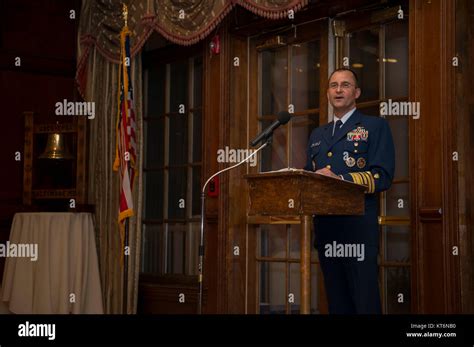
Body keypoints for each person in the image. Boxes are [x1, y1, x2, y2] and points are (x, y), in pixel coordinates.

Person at [304, 68, 395, 314]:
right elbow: (309, 178)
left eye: (345, 85)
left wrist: (340, 179)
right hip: (326, 230)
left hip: (358, 230)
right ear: (327, 93)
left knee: (363, 302)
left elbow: (382, 176)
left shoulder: (374, 126)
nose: (338, 90)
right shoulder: (317, 134)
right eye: (333, 85)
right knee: (337, 303)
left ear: (356, 93)